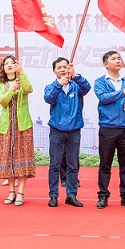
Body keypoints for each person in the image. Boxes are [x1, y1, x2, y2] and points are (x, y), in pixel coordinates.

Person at [93, 51, 125, 210]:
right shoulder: (100, 82)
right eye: (113, 59)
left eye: (119, 58)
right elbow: (104, 98)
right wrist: (122, 93)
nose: (118, 60)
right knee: (105, 164)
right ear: (105, 64)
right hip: (108, 127)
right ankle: (103, 195)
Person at [43, 57, 90, 208]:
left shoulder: (77, 86)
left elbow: (87, 88)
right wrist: (59, 85)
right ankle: (53, 195)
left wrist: (75, 75)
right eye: (59, 67)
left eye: (65, 67)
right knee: (54, 165)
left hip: (74, 129)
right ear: (54, 71)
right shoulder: (51, 87)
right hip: (57, 130)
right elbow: (49, 99)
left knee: (73, 165)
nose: (63, 69)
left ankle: (71, 195)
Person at [0, 55, 35, 206]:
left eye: (12, 63)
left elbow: (29, 89)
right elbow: (2, 100)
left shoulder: (21, 80)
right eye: (6, 64)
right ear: (3, 68)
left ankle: (21, 192)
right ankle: (11, 191)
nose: (9, 65)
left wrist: (22, 72)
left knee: (22, 159)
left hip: (22, 125)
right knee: (8, 158)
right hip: (7, 126)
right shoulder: (1, 85)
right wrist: (12, 90)